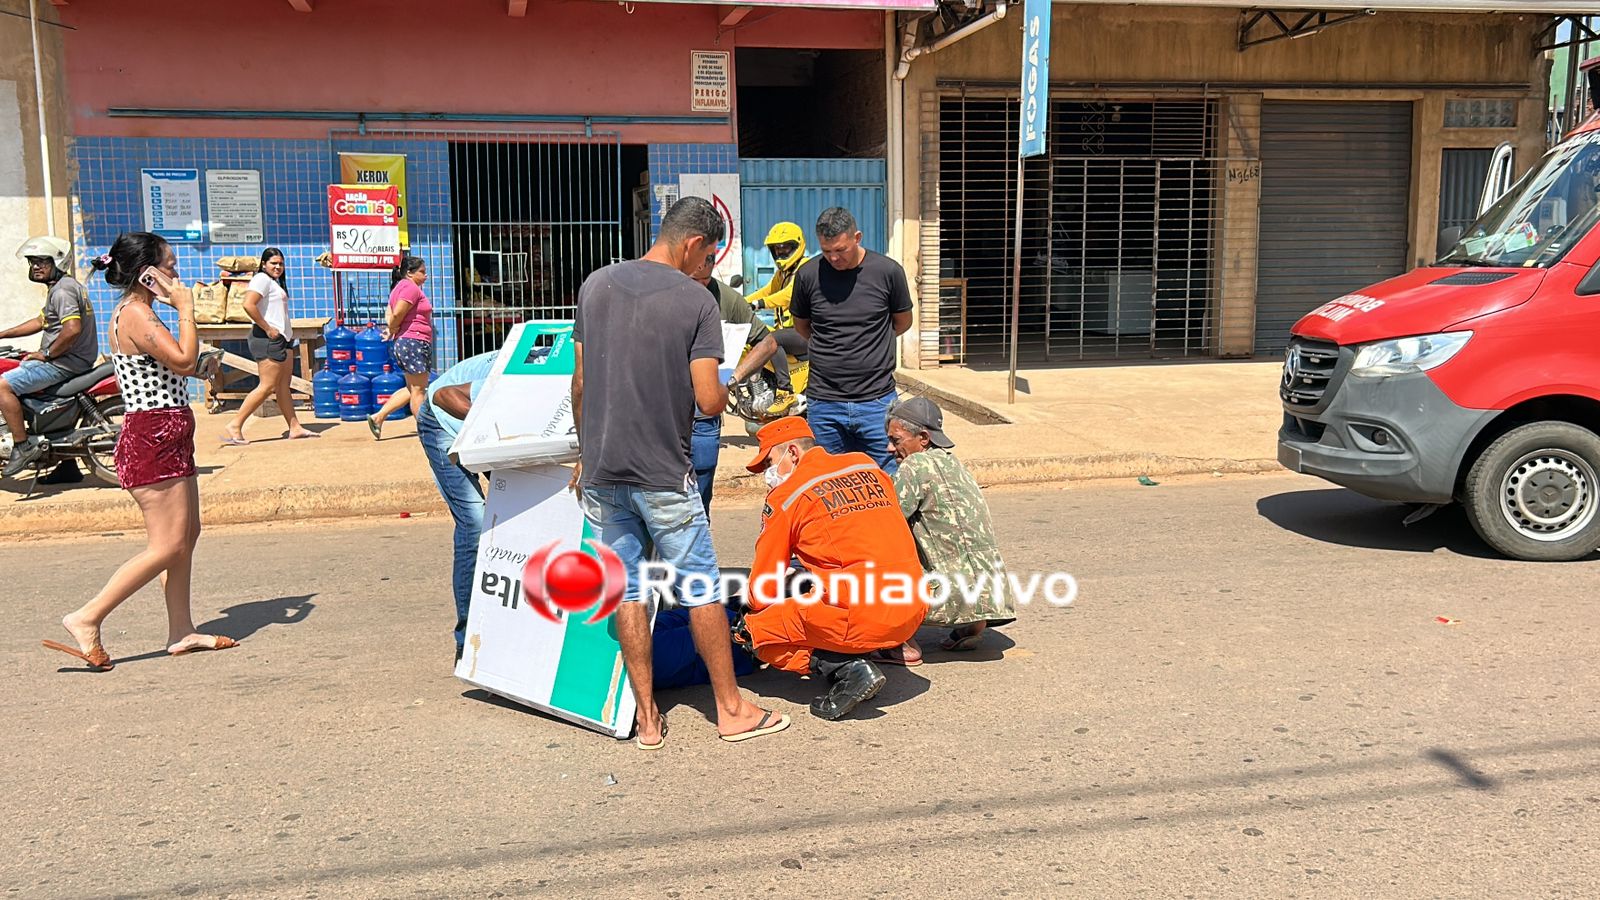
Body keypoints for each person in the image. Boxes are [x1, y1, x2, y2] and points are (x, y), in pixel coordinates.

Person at [571, 195, 790, 749]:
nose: (708, 268)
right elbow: (709, 401)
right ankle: (732, 709)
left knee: (629, 590)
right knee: (700, 591)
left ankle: (647, 720)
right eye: (710, 256)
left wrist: (585, 453)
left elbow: (578, 386)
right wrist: (731, 380)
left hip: (601, 471)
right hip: (663, 475)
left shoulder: (596, 285)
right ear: (694, 244)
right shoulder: (695, 303)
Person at [42, 232, 235, 671]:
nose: (177, 273)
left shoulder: (143, 312)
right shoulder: (135, 314)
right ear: (146, 274)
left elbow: (178, 364)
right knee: (167, 545)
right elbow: (185, 361)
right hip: (152, 436)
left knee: (186, 537)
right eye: (169, 266)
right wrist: (186, 310)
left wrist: (196, 352)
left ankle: (181, 630)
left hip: (168, 431)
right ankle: (87, 616)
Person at [740, 416, 928, 720]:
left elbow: (763, 590)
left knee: (751, 631)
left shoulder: (786, 497)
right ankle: (867, 646)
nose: (767, 474)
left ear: (793, 453)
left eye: (769, 463)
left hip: (863, 616)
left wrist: (749, 606)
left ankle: (848, 668)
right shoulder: (866, 465)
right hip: (912, 608)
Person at [887, 396, 1016, 652]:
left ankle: (899, 644)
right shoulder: (954, 463)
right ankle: (973, 625)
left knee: (874, 548)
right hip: (991, 594)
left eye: (896, 440)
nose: (890, 449)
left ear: (923, 438)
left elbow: (887, 521)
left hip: (949, 595)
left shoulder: (916, 464)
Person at [790, 207, 914, 474]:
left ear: (857, 237)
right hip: (824, 403)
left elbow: (902, 321)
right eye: (826, 251)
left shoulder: (888, 272)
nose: (834, 257)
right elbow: (802, 326)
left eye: (841, 250)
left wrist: (871, 343)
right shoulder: (808, 275)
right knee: (830, 481)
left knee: (886, 478)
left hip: (877, 401)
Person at [417, 350, 500, 662]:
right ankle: (466, 642)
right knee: (475, 521)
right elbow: (443, 395)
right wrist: (492, 429)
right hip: (442, 422)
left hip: (490, 430)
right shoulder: (525, 375)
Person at [690, 249, 780, 514]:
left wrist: (733, 378)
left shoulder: (726, 298)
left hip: (703, 421)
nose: (702, 287)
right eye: (695, 280)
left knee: (698, 508)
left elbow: (768, 342)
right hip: (662, 422)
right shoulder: (662, 293)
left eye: (706, 280)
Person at [0, 236, 99, 478]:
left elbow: (72, 328)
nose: (35, 267)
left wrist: (46, 354)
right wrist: (3, 334)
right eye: (32, 262)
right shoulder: (62, 287)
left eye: (42, 261)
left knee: (2, 386)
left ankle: (22, 447)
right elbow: (41, 321)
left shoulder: (63, 291)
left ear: (58, 262)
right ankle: (67, 465)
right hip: (71, 360)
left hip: (64, 363)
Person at [222, 247, 317, 444]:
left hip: (282, 338)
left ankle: (295, 427)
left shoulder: (273, 283)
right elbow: (249, 305)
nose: (278, 267)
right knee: (267, 386)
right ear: (264, 264)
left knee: (283, 385)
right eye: (273, 263)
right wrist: (268, 329)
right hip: (267, 339)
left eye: (281, 263)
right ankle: (235, 424)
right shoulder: (261, 279)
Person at [744, 222, 808, 416]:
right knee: (756, 339)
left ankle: (785, 391)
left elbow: (789, 294)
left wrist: (759, 304)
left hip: (803, 333)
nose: (781, 253)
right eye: (777, 249)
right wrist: (741, 302)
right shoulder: (783, 273)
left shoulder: (804, 269)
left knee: (770, 340)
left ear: (797, 246)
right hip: (788, 332)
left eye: (786, 248)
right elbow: (768, 290)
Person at [368, 255, 432, 438]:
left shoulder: (399, 288)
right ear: (410, 273)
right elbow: (396, 314)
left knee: (412, 388)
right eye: (422, 272)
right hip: (414, 342)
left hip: (408, 342)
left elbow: (389, 313)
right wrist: (393, 328)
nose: (425, 276)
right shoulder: (410, 288)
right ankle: (426, 430)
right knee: (419, 390)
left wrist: (392, 329)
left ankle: (378, 417)